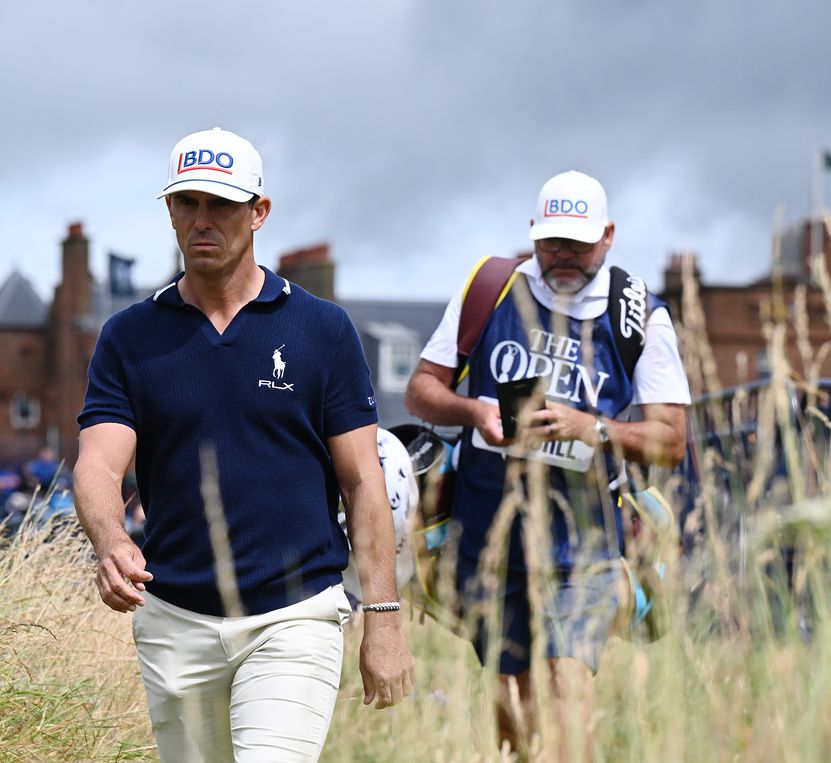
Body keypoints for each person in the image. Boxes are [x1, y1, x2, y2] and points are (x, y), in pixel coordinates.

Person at [74, 127, 414, 762]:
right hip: (174, 618)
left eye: (222, 204)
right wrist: (111, 539)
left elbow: (363, 480)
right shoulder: (128, 336)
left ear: (258, 211)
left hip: (295, 615)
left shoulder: (322, 329)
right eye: (188, 203)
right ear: (170, 211)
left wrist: (384, 620)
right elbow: (98, 460)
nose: (203, 221)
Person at [405, 170, 690, 756]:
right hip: (490, 540)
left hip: (582, 550)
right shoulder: (491, 290)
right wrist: (473, 410)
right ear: (533, 233)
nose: (563, 256)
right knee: (514, 707)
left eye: (578, 243)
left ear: (608, 236)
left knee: (566, 692)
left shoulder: (637, 315)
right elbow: (420, 391)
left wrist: (595, 428)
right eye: (552, 241)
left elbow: (673, 439)